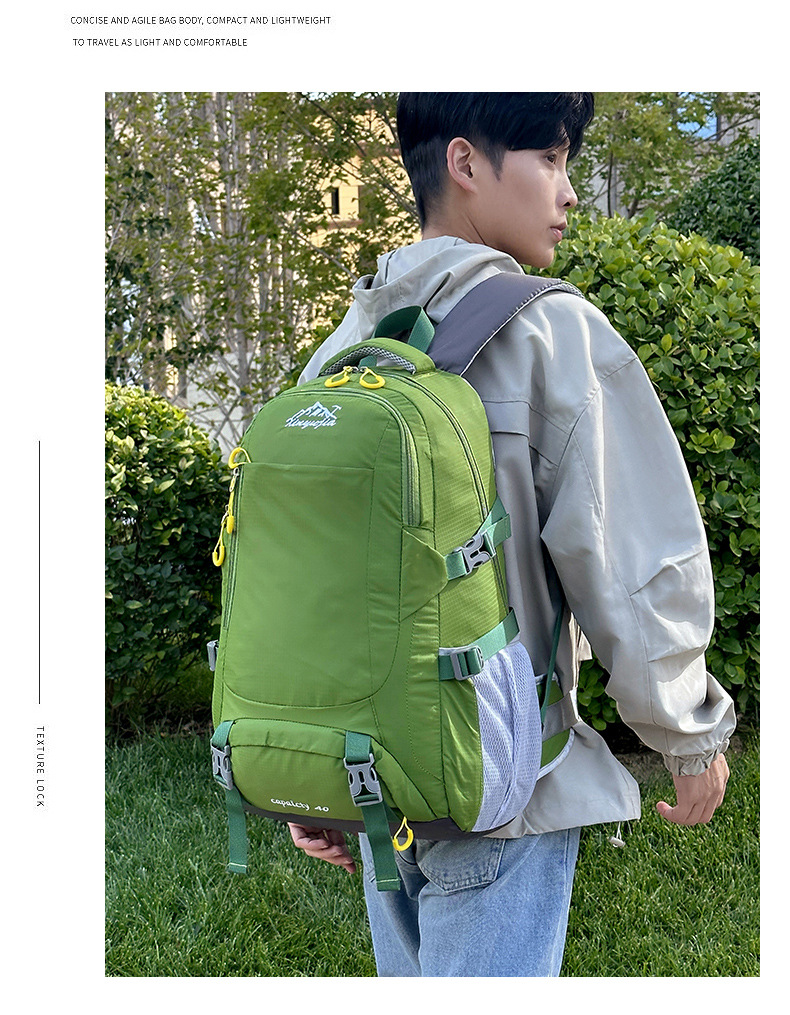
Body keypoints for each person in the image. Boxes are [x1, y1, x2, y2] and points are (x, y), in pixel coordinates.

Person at [287, 93, 736, 977]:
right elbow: (629, 558)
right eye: (551, 159)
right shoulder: (551, 330)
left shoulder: (342, 347)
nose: (568, 192)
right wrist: (687, 731)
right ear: (465, 163)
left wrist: (311, 770)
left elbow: (306, 582)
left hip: (376, 783)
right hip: (504, 788)